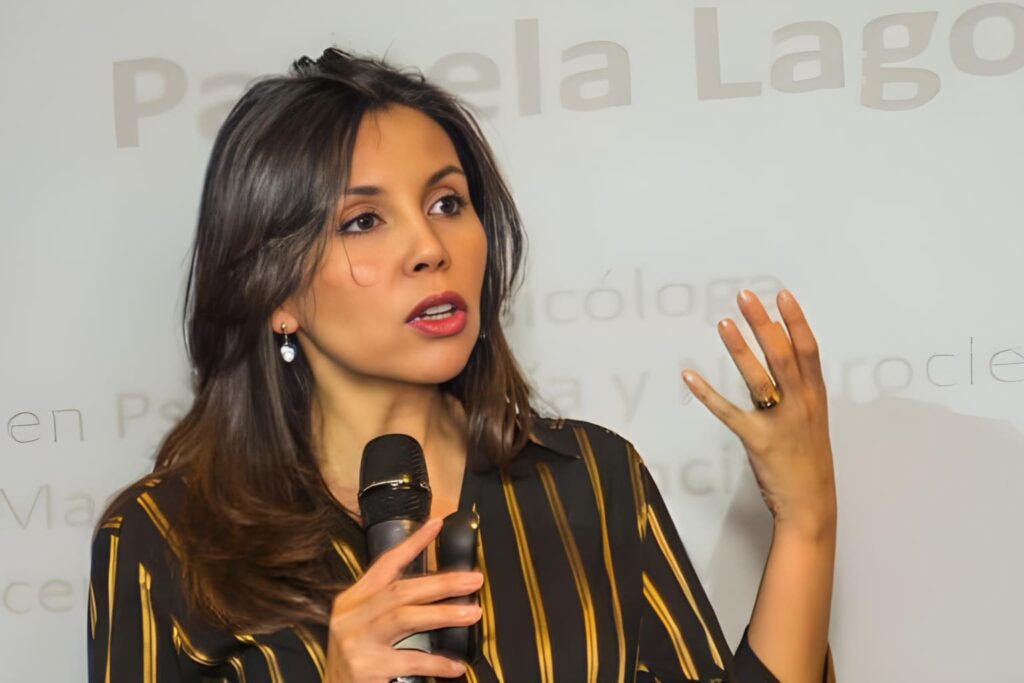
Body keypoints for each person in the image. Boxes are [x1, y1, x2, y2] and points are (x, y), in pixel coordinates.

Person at [87, 47, 838, 683]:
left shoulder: (593, 479)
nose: (430, 247)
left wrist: (806, 521)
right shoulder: (165, 541)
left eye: (447, 203)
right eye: (364, 220)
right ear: (273, 290)